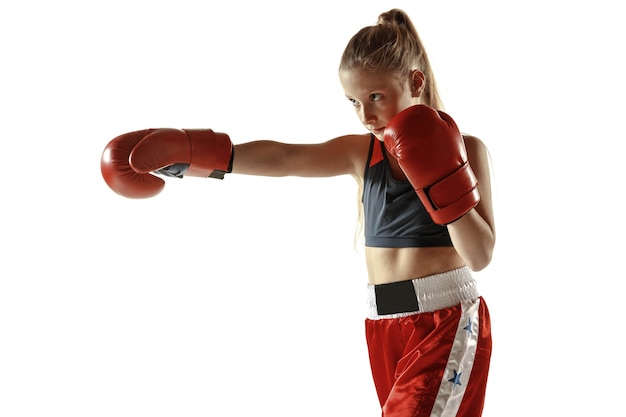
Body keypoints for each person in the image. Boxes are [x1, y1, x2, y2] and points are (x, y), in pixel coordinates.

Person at [101, 8, 495, 417]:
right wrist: (195, 154)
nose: (365, 115)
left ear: (415, 81)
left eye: (376, 96)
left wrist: (443, 177)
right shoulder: (364, 154)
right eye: (354, 102)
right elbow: (287, 158)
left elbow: (481, 255)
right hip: (383, 322)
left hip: (444, 320)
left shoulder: (469, 149)